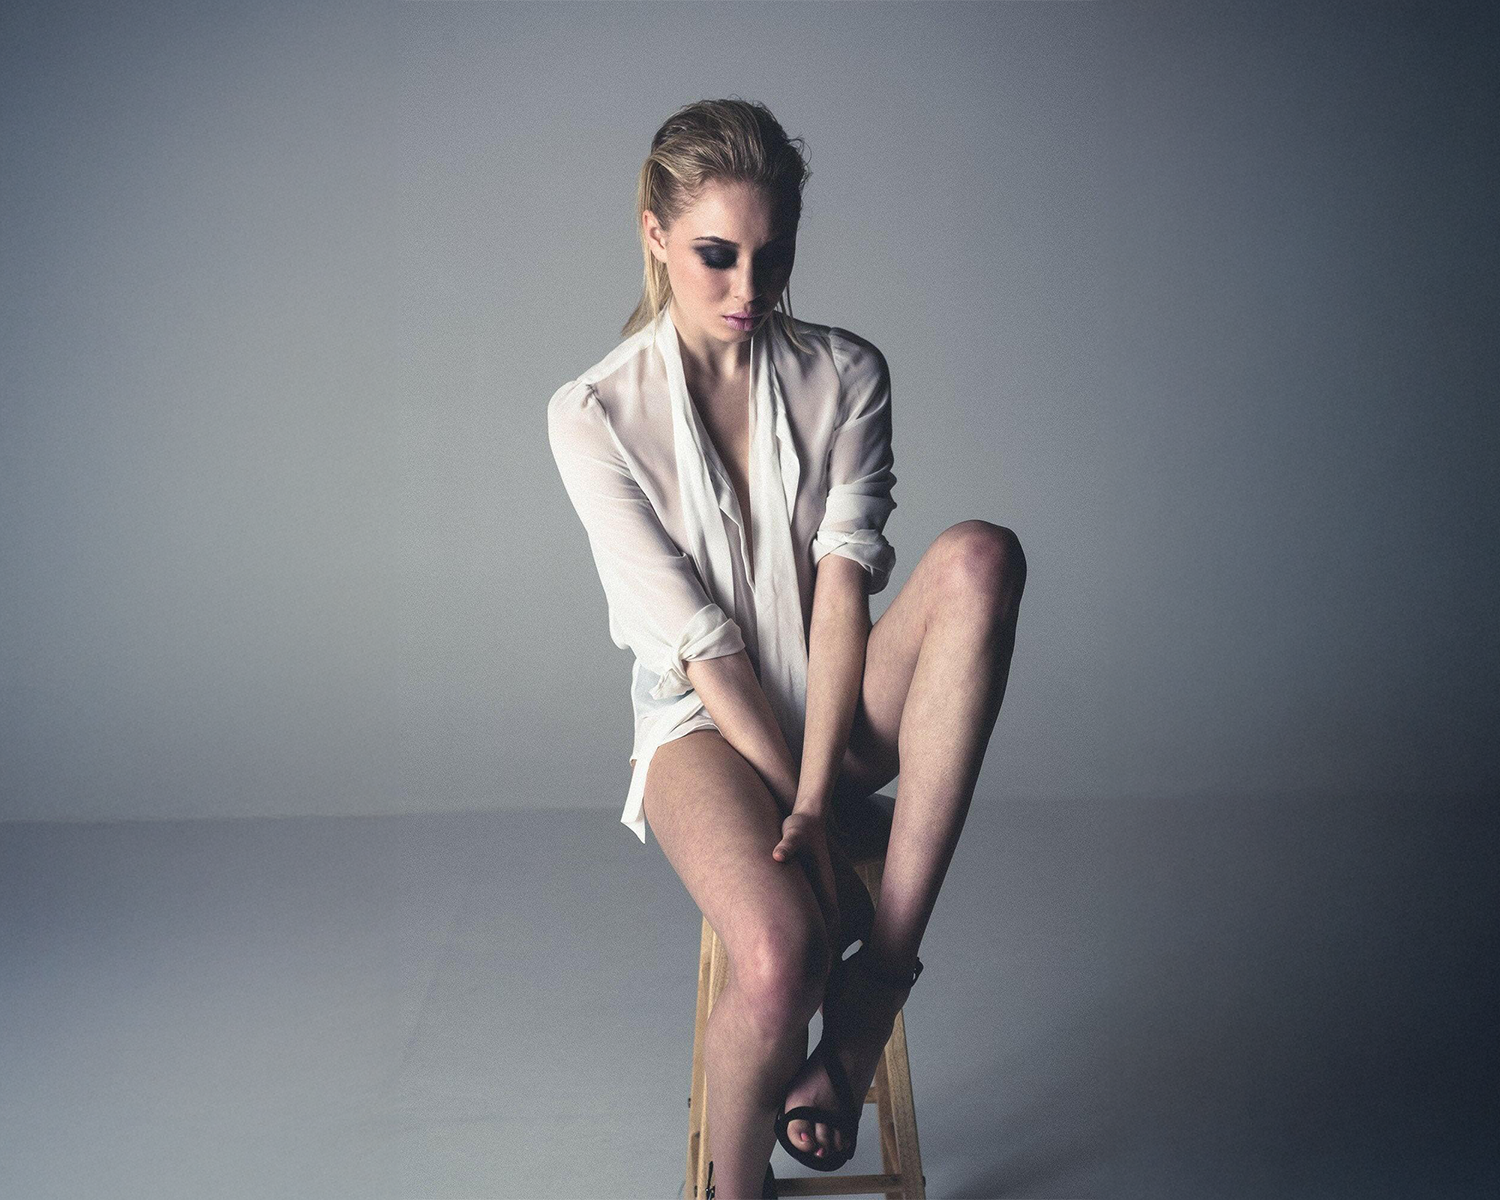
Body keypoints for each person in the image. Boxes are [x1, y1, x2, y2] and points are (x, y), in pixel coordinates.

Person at [546, 98, 1026, 1199]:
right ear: (656, 235)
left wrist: (815, 798)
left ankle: (874, 996)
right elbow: (706, 647)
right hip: (701, 728)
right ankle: (733, 1188)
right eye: (717, 256)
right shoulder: (592, 415)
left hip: (841, 708)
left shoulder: (848, 375)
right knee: (779, 952)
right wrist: (791, 809)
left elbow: (842, 588)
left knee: (981, 560)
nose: (750, 290)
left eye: (774, 256)